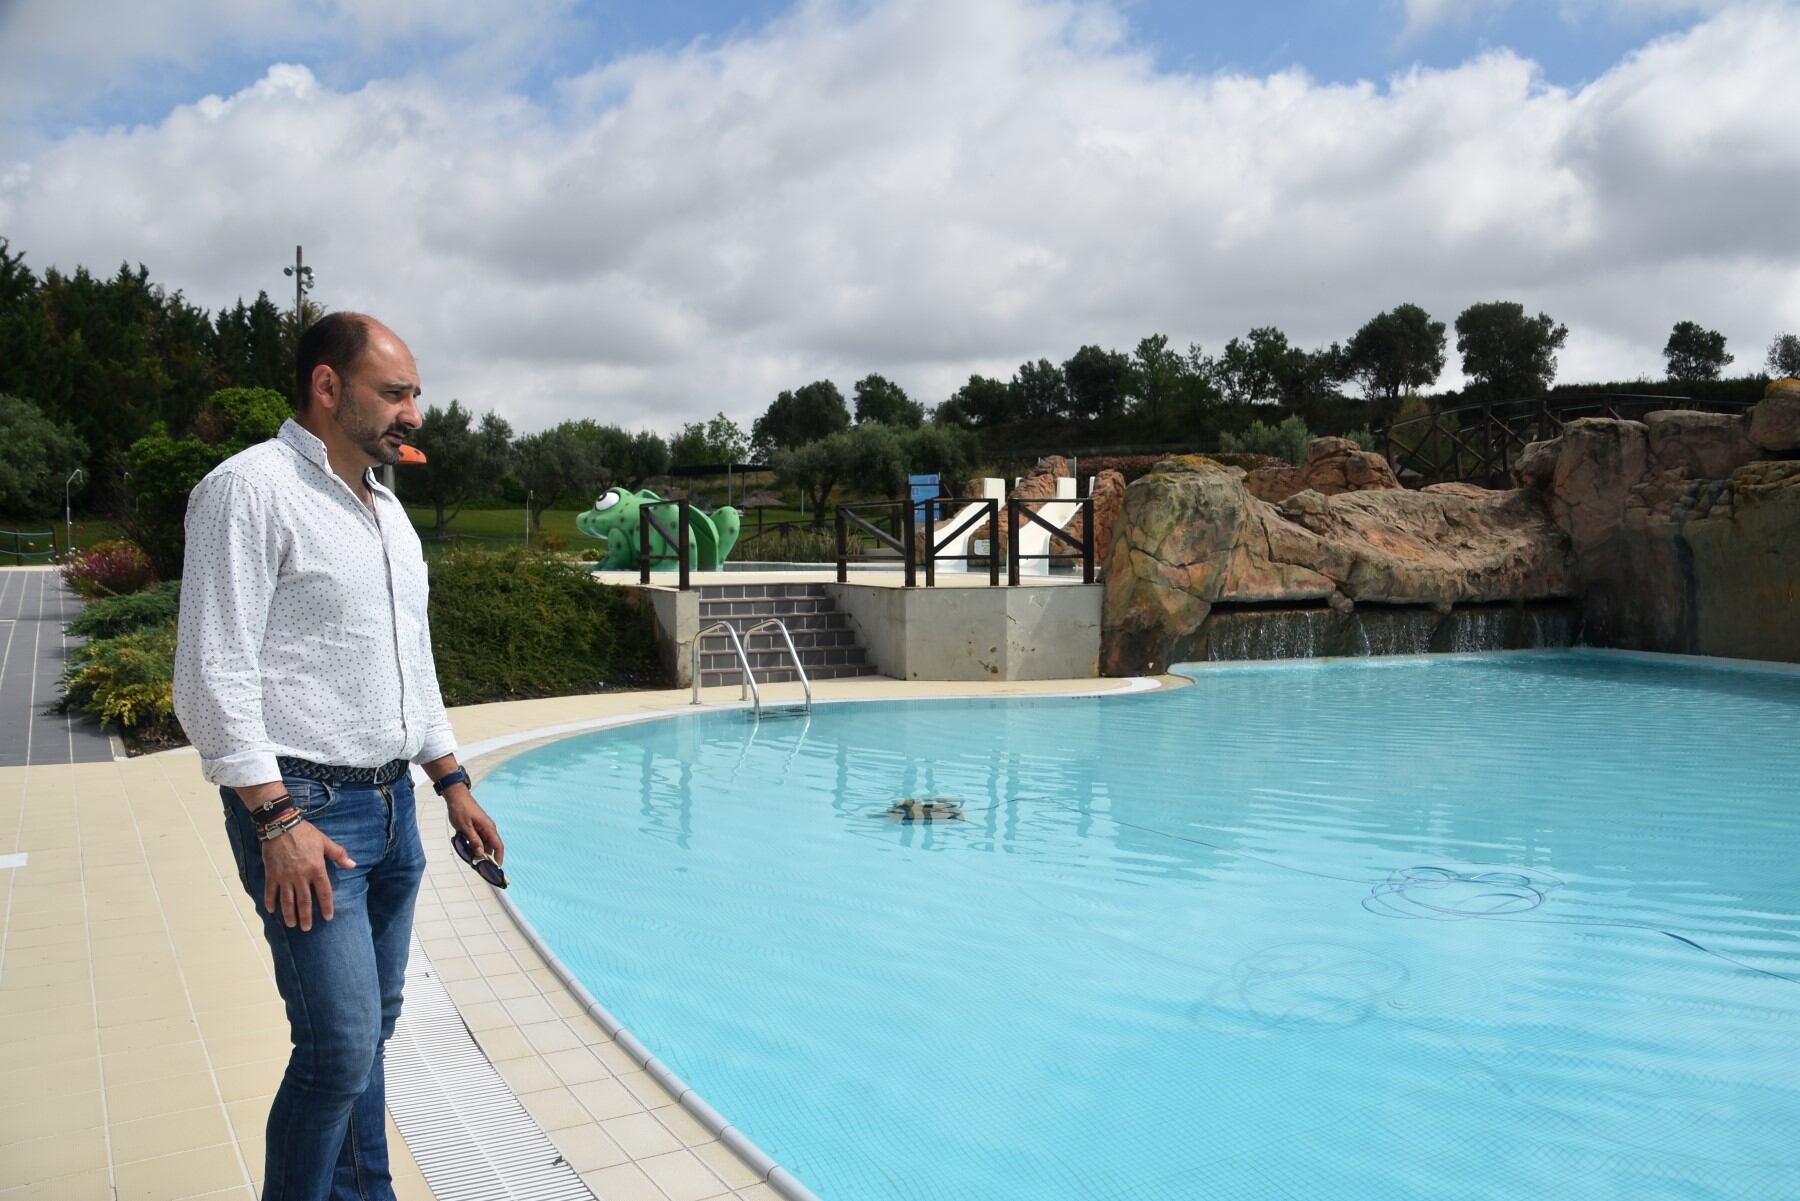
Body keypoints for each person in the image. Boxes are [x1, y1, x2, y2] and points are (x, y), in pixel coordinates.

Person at [173, 312, 503, 1201]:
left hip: (395, 813)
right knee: (337, 1049)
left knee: (373, 1031)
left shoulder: (389, 513)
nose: (414, 413)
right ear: (328, 388)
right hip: (307, 811)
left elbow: (412, 664)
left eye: (415, 395)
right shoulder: (250, 490)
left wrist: (452, 779)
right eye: (395, 393)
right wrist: (277, 819)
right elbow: (212, 674)